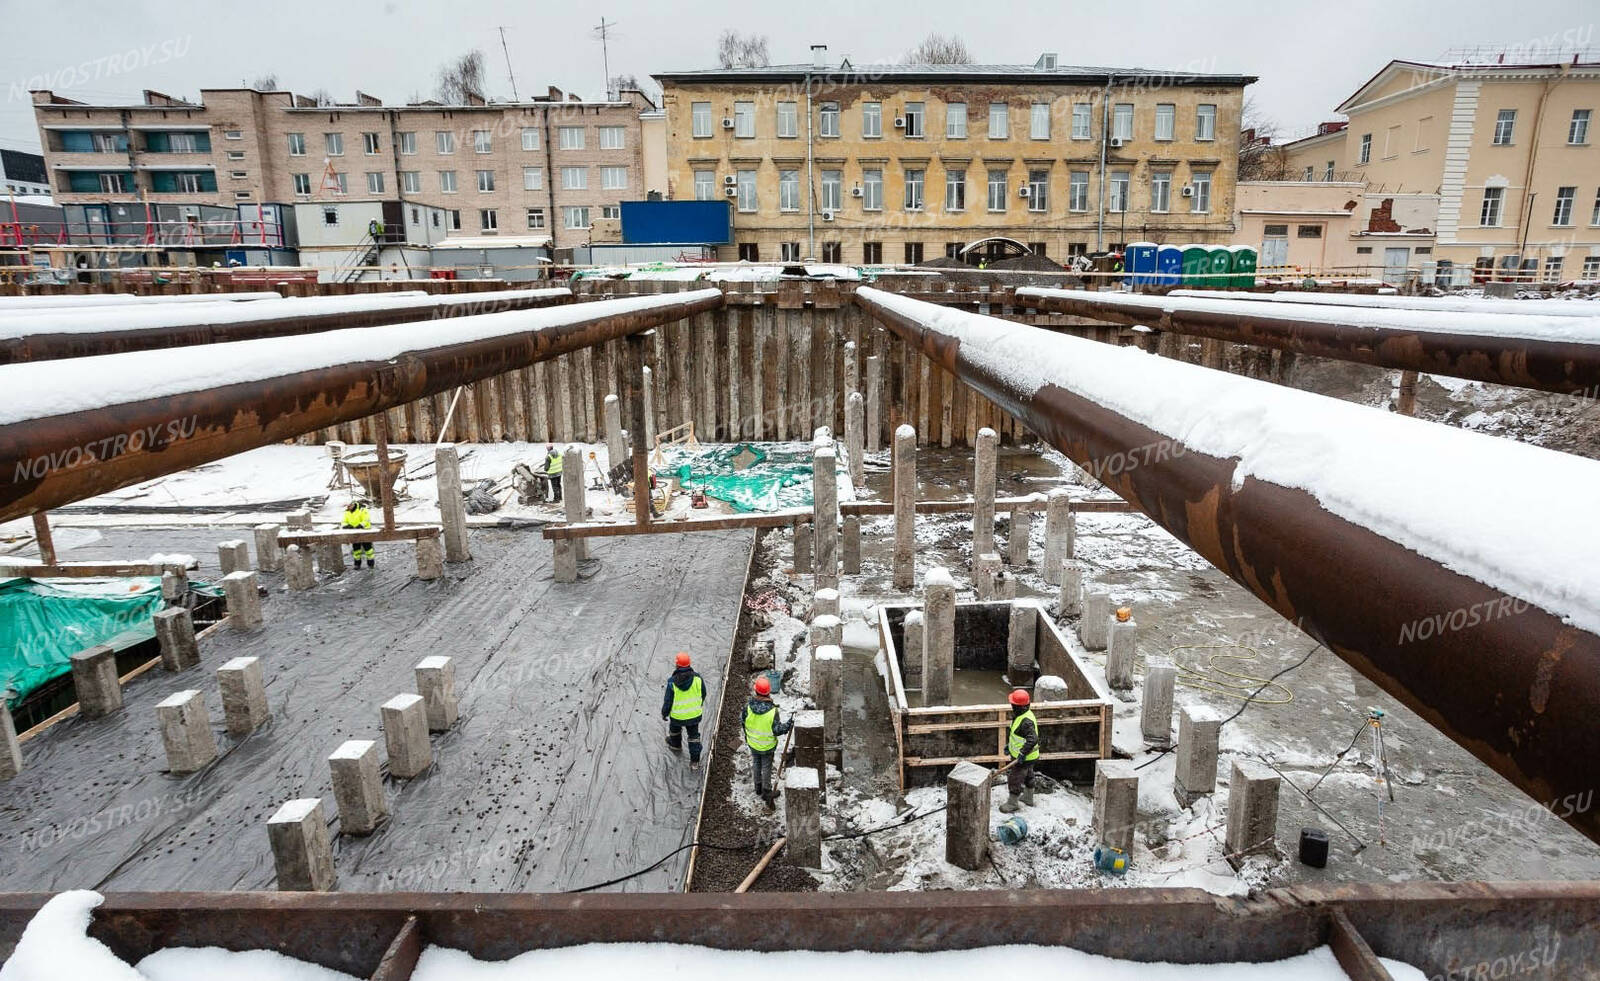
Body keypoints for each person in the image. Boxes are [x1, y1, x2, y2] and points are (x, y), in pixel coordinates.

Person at [744, 675, 791, 809]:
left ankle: (757, 787)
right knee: (766, 767)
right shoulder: (772, 711)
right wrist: (788, 724)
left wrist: (749, 737)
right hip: (767, 746)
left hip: (753, 743)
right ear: (768, 692)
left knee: (756, 763)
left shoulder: (747, 707)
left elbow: (743, 723)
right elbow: (777, 730)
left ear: (756, 691)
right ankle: (766, 792)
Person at [661, 652, 705, 770]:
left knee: (674, 730)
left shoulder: (672, 681)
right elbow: (703, 693)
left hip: (677, 717)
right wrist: (698, 705)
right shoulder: (698, 678)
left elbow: (668, 701)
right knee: (694, 737)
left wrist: (664, 713)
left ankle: (676, 745)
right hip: (694, 716)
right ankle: (694, 762)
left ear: (677, 665)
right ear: (689, 664)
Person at [1000, 687, 1039, 813]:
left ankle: (1012, 803)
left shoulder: (1026, 721)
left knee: (1015, 778)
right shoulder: (1022, 715)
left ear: (1020, 707)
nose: (1012, 706)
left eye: (1013, 705)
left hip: (1024, 758)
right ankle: (1028, 797)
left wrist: (1022, 753)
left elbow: (1032, 739)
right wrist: (1009, 746)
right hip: (1026, 756)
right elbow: (1017, 735)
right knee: (1028, 774)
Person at [342, 498, 374, 568]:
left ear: (353, 504)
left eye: (349, 506)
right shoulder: (347, 512)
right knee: (356, 550)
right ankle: (357, 564)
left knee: (368, 549)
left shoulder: (362, 510)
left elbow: (366, 520)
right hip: (354, 533)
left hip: (364, 532)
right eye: (347, 507)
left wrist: (360, 525)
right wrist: (347, 526)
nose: (348, 508)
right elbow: (343, 522)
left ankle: (371, 563)